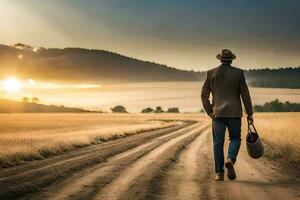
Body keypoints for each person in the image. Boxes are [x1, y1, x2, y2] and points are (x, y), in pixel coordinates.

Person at [201, 49, 254, 181]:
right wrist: (250, 113)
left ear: (220, 59)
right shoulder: (239, 73)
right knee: (235, 138)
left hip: (217, 114)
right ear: (231, 60)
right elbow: (245, 95)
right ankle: (230, 158)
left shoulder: (211, 73)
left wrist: (210, 111)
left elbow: (204, 95)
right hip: (235, 113)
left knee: (217, 143)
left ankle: (219, 173)